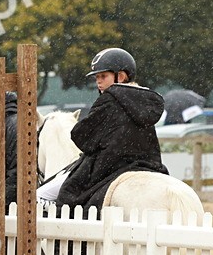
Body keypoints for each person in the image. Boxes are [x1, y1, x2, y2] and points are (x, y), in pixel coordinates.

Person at [38, 47, 166, 213]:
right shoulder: (144, 101)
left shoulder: (109, 99)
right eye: (97, 77)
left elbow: (81, 137)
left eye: (103, 76)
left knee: (44, 196)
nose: (98, 82)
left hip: (108, 168)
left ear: (121, 76)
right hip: (149, 165)